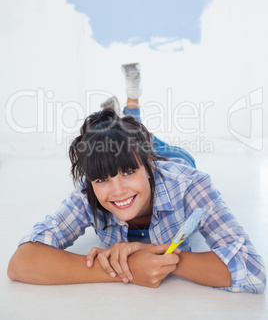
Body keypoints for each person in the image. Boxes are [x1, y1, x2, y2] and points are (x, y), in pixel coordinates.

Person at [7, 63, 266, 292]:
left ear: (148, 167)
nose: (117, 190)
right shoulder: (89, 192)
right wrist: (129, 268)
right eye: (102, 179)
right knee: (125, 141)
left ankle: (128, 109)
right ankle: (117, 119)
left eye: (129, 173)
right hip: (136, 153)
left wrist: (154, 256)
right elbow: (21, 262)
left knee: (145, 139)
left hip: (171, 157)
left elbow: (254, 271)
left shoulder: (189, 185)